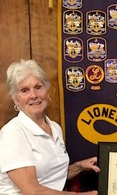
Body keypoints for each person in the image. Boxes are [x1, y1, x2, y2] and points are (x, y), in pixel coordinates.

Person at [0, 59, 100, 194]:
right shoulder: (13, 133)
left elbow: (50, 177)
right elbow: (33, 191)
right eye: (24, 90)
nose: (33, 95)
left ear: (47, 91)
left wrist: (79, 167)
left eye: (38, 87)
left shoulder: (55, 127)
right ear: (16, 99)